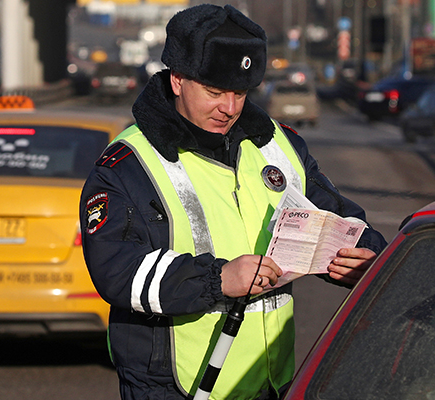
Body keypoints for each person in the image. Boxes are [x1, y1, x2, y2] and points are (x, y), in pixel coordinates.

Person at [80, 4, 388, 400]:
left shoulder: (279, 146)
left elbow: (336, 216)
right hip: (175, 386)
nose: (230, 107)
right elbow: (117, 270)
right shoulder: (129, 162)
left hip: (270, 382)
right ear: (177, 80)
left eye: (240, 93)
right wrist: (219, 280)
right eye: (215, 92)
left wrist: (365, 256)